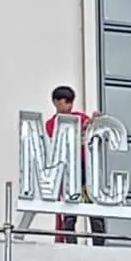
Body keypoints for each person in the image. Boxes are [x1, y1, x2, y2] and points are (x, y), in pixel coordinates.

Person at [45, 86, 106, 246]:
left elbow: (89, 125)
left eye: (71, 102)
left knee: (92, 204)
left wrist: (93, 121)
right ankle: (70, 242)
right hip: (68, 170)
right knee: (70, 209)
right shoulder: (52, 124)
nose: (70, 106)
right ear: (56, 102)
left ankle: (99, 242)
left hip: (84, 167)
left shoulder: (78, 117)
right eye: (66, 102)